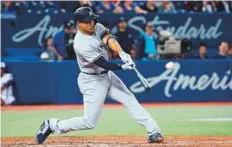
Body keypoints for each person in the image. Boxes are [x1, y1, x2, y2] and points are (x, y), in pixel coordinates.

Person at [36, 7, 164, 144]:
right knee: (89, 122)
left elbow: (108, 39)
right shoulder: (80, 43)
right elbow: (102, 63)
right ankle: (53, 125)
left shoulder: (96, 26)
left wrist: (122, 53)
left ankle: (154, 130)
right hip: (92, 80)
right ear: (78, 23)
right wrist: (122, 66)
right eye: (87, 22)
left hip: (107, 75)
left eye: (92, 20)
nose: (92, 24)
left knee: (130, 99)